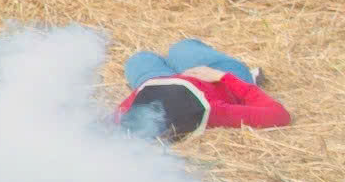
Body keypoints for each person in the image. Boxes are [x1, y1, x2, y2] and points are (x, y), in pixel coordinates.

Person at [116, 39, 290, 141]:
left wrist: (161, 83)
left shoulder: (142, 102)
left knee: (139, 59)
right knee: (182, 47)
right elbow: (279, 115)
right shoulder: (215, 112)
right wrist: (223, 77)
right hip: (216, 77)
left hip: (156, 80)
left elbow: (111, 121)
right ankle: (247, 77)